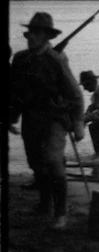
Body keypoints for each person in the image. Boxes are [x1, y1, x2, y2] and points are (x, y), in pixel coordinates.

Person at [8, 12, 85, 230]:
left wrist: (78, 123)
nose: (31, 36)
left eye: (36, 33)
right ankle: (44, 205)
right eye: (30, 32)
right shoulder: (20, 59)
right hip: (31, 117)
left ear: (46, 36)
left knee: (53, 160)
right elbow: (14, 92)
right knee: (36, 163)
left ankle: (60, 214)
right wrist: (10, 118)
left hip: (54, 118)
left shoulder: (57, 60)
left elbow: (76, 94)